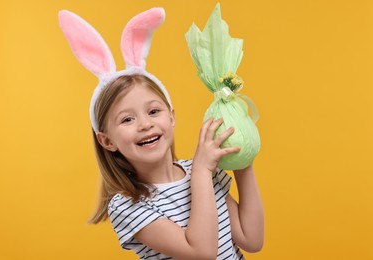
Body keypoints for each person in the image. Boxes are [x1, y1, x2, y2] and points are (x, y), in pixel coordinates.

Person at [59, 7, 263, 260]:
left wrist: (244, 161)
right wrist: (201, 171)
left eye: (153, 111)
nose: (145, 124)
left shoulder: (202, 173)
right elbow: (201, 253)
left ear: (172, 117)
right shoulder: (127, 205)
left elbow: (251, 240)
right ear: (107, 141)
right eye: (127, 119)